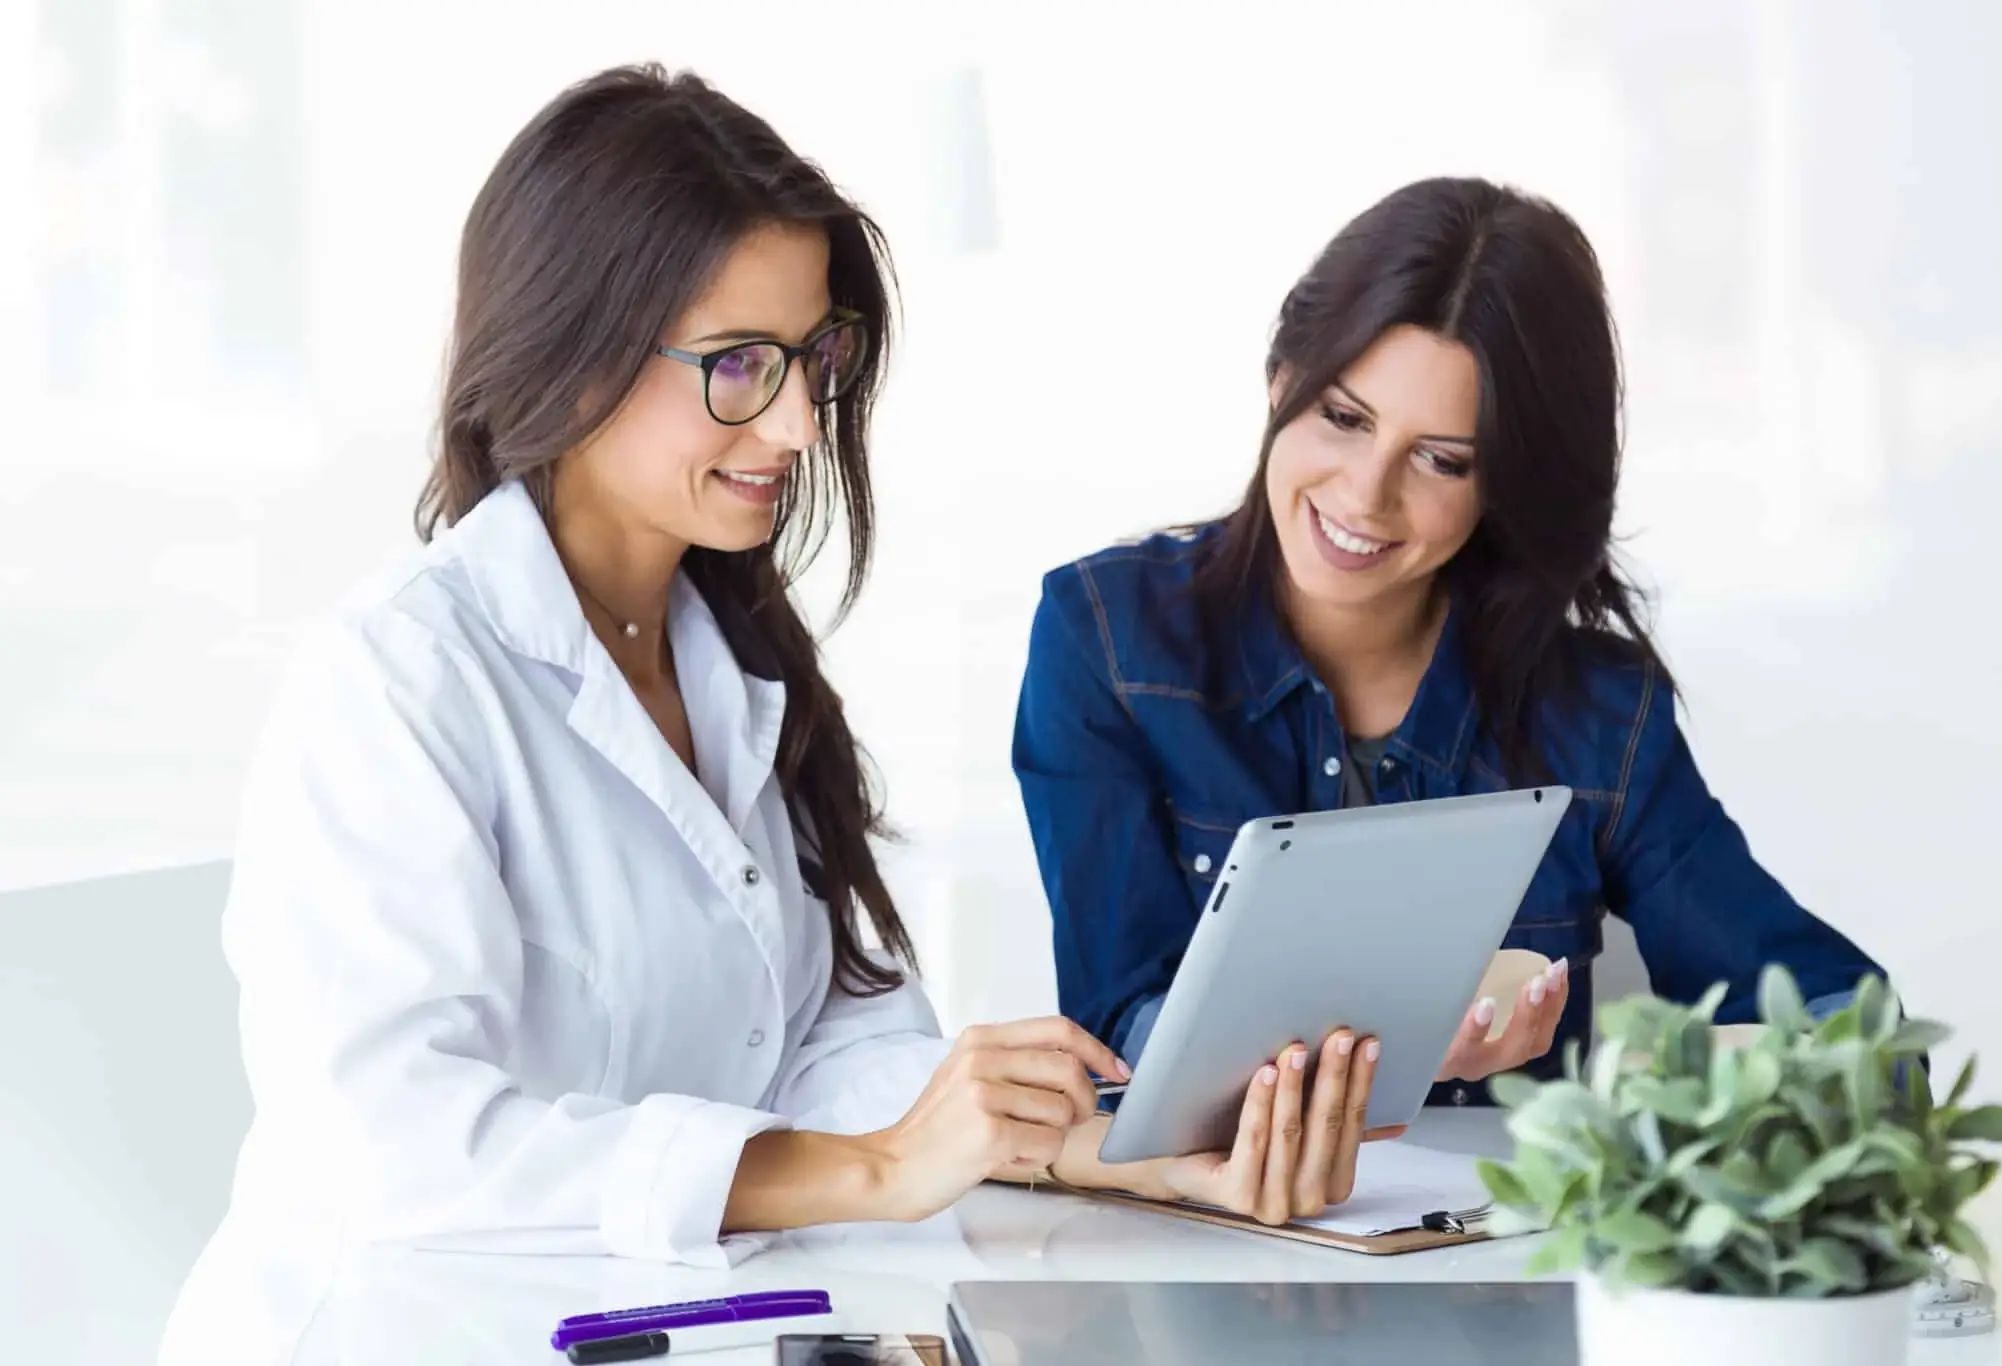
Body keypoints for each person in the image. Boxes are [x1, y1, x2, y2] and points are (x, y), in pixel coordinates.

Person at [158, 66, 1391, 1366]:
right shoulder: (399, 680)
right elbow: (400, 1142)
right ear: (570, 353)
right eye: (740, 365)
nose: (802, 420)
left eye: (816, 358)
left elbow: (824, 1035)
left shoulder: (734, 656)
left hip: (671, 1327)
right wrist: (872, 1169)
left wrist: (1095, 1150)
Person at [1013, 177, 1890, 1109]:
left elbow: (1855, 1030)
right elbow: (1113, 1032)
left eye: (1443, 459)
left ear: (1504, 485)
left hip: (1503, 1248)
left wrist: (1652, 1077)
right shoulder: (1109, 641)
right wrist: (1384, 1048)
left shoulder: (1597, 715)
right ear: (1282, 384)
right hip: (1201, 1237)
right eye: (1344, 418)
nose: (1364, 494)